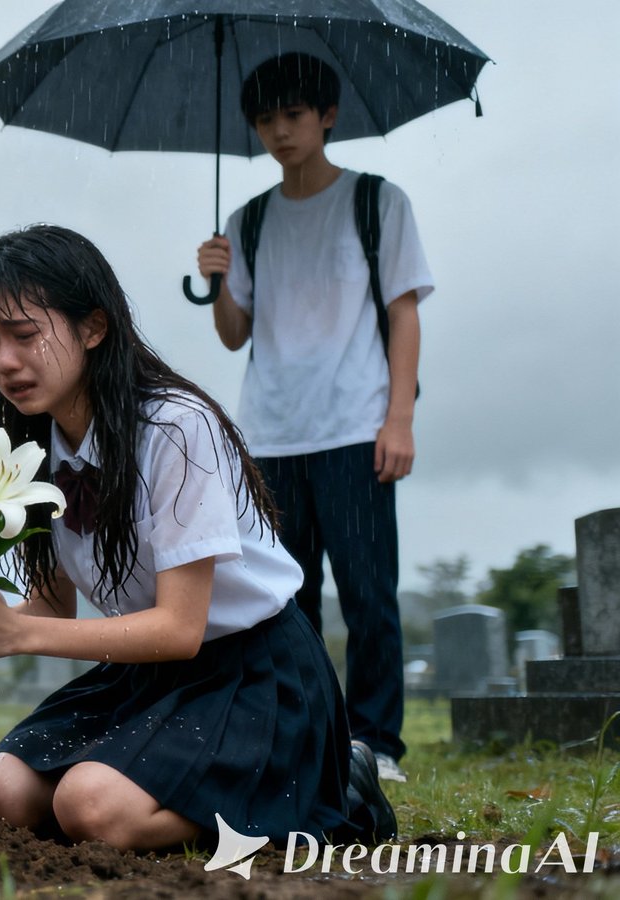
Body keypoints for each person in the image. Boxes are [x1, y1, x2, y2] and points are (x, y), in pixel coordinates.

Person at [0, 224, 394, 851]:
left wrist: (19, 636)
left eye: (24, 334)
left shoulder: (176, 429)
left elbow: (181, 628)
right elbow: (52, 609)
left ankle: (337, 786)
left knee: (88, 807)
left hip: (251, 671)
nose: (5, 362)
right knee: (3, 792)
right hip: (144, 672)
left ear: (94, 328)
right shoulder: (31, 448)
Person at [194, 53, 432, 782]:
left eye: (293, 115)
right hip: (269, 433)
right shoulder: (248, 221)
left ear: (327, 116)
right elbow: (234, 333)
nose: (279, 131)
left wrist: (399, 419)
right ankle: (302, 735)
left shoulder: (376, 202)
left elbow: (404, 313)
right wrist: (216, 280)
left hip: (356, 426)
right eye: (265, 119)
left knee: (368, 593)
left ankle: (377, 744)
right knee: (283, 599)